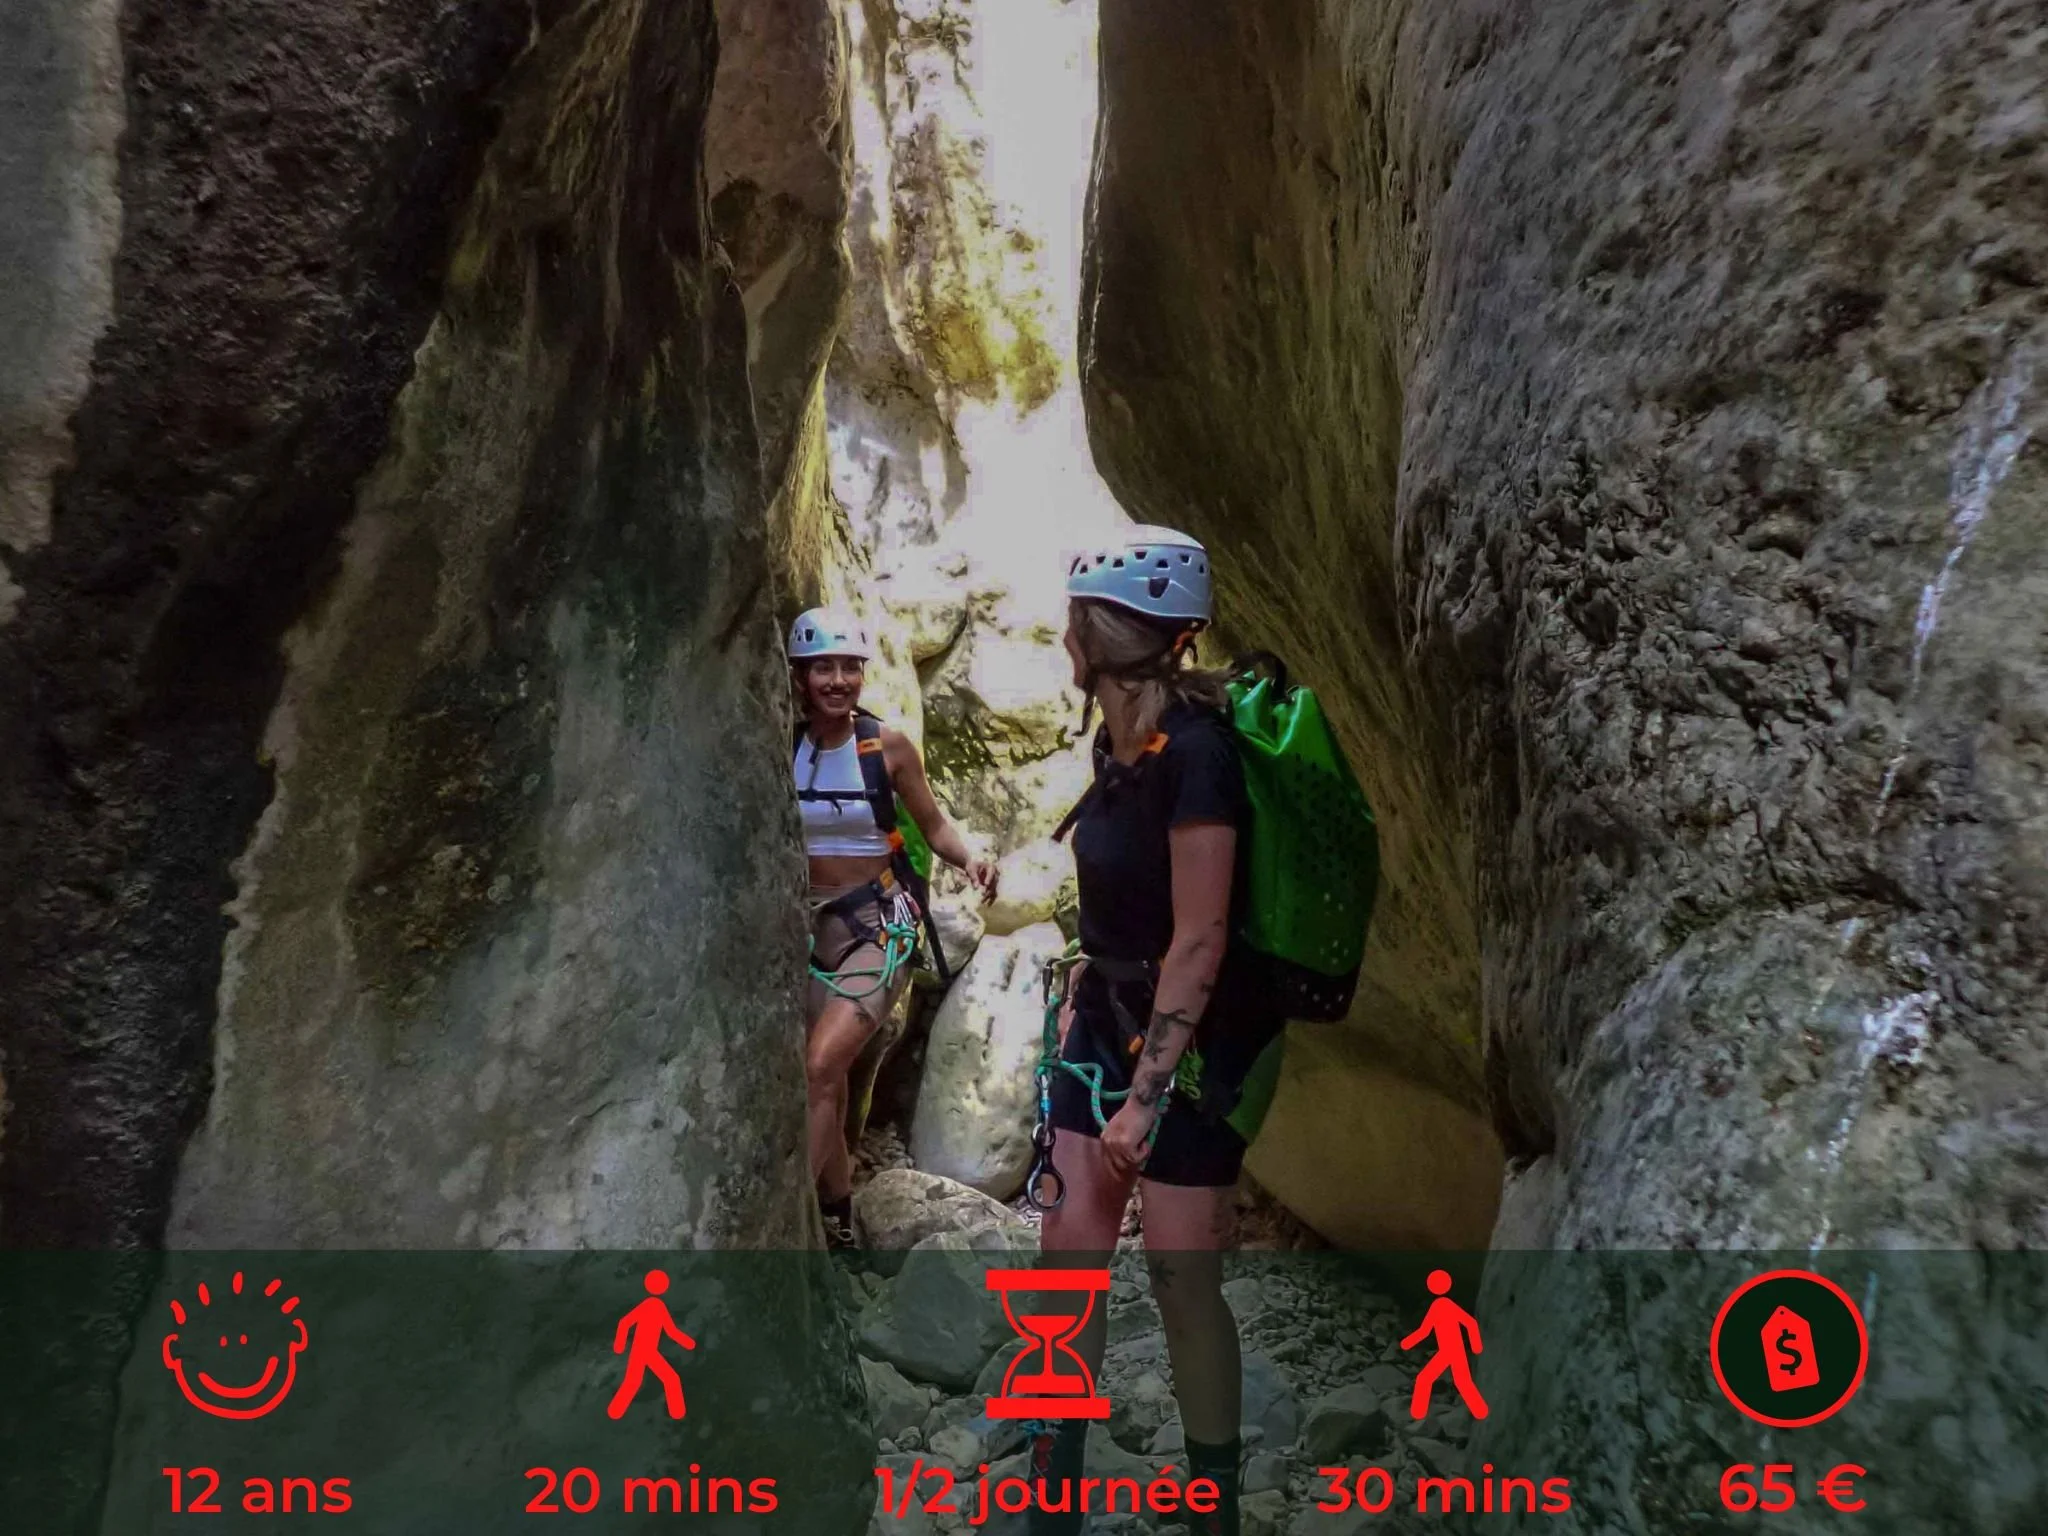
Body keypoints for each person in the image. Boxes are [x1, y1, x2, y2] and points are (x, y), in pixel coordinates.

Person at [1031, 527, 1274, 1536]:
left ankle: (1212, 1498)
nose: (1062, 637)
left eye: (1072, 621)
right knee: (1066, 1257)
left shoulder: (1200, 756)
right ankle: (1053, 1489)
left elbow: (1201, 940)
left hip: (1196, 1042)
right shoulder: (1114, 743)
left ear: (1104, 631)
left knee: (1180, 1275)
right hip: (1104, 1016)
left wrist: (1144, 1097)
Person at [789, 607, 996, 1248]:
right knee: (830, 1077)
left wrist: (970, 860)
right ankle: (840, 1211)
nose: (839, 679)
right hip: (809, 930)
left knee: (820, 1065)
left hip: (878, 927)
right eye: (824, 666)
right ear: (800, 676)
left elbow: (931, 824)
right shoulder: (786, 747)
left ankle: (789, 1223)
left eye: (850, 666)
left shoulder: (887, 746)